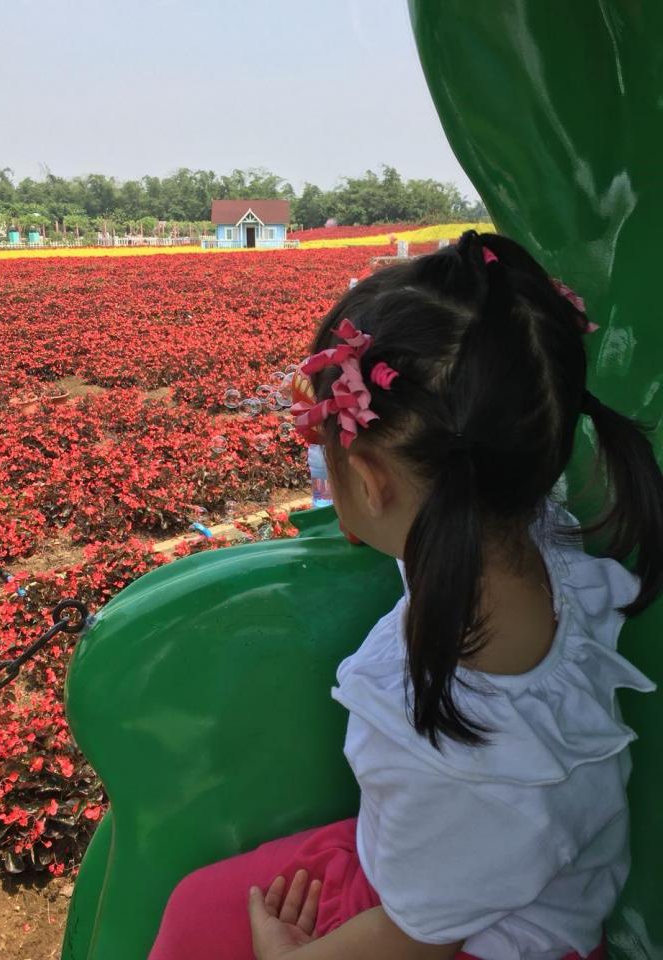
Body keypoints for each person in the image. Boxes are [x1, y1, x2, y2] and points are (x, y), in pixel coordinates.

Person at [148, 231, 662, 960]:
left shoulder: (443, 745)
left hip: (467, 932)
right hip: (472, 866)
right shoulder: (533, 536)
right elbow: (438, 476)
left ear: (369, 483)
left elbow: (418, 936)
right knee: (199, 906)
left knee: (194, 922)